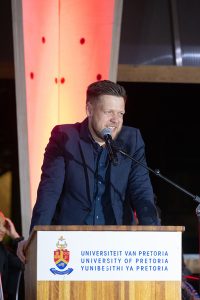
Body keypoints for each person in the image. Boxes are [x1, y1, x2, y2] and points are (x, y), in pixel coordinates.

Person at [17, 79, 160, 263]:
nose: (116, 120)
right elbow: (49, 191)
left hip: (117, 248)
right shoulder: (65, 137)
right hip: (71, 244)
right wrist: (35, 239)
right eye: (109, 112)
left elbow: (142, 192)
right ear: (90, 110)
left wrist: (156, 238)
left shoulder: (131, 140)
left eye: (120, 113)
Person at [0, 211, 24, 300]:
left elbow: (25, 262)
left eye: (4, 225)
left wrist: (15, 235)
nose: (3, 229)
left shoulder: (3, 252)